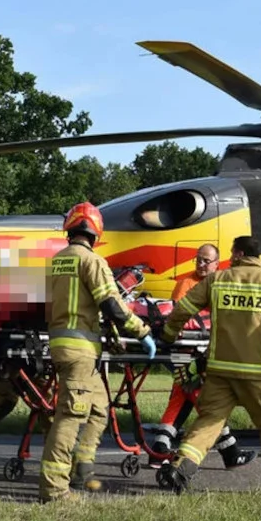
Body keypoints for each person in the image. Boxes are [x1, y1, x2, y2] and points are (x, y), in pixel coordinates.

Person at [158, 235, 261, 493]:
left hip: (219, 371)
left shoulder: (216, 281)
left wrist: (168, 336)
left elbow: (182, 309)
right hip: (258, 374)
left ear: (237, 254)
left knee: (209, 420)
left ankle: (180, 468)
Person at [40, 202, 155, 502]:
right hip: (79, 350)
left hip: (64, 345)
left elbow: (79, 306)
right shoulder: (92, 261)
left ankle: (83, 469)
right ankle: (54, 489)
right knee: (70, 416)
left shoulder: (57, 260)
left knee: (99, 407)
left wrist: (109, 335)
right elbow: (113, 307)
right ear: (95, 232)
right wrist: (142, 332)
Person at [147, 244, 257, 470]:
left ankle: (159, 449)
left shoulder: (219, 283)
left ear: (218, 263)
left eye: (206, 260)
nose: (201, 264)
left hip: (205, 350)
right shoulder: (186, 285)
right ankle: (230, 451)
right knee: (206, 402)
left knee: (181, 397)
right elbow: (177, 316)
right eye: (198, 259)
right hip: (187, 352)